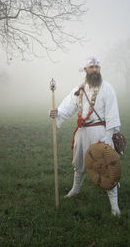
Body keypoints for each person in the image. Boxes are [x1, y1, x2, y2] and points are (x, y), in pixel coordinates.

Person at [49, 57, 121, 216]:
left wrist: (109, 135)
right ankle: (75, 190)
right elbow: (67, 107)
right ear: (85, 70)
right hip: (82, 133)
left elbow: (112, 112)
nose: (95, 70)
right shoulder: (79, 89)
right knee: (80, 163)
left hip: (100, 133)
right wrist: (57, 112)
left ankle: (114, 206)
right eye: (91, 67)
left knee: (107, 167)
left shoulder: (107, 88)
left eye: (97, 67)